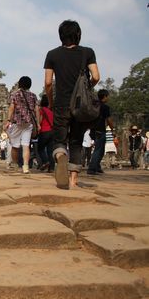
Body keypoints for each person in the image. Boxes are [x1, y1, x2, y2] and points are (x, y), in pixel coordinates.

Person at [44, 20, 100, 188]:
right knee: (76, 140)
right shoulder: (87, 52)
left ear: (60, 35)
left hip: (61, 102)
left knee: (59, 139)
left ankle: (60, 156)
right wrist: (86, 91)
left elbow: (48, 83)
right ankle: (73, 180)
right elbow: (96, 76)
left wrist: (51, 101)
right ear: (78, 35)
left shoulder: (52, 54)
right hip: (79, 105)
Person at [4, 76, 39, 174]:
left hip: (17, 122)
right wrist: (38, 123)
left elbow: (11, 107)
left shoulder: (15, 94)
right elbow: (37, 110)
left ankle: (16, 165)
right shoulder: (33, 96)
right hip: (29, 122)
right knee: (26, 145)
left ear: (19, 84)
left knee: (15, 146)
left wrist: (8, 120)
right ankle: (26, 166)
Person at [87, 89, 114, 175]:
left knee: (100, 150)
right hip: (100, 130)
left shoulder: (94, 105)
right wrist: (113, 129)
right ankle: (91, 169)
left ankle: (97, 167)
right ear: (105, 96)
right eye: (107, 96)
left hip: (93, 130)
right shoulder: (105, 107)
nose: (108, 98)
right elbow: (109, 120)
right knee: (98, 150)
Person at [37, 95, 54, 172]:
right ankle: (52, 167)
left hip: (44, 131)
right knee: (50, 150)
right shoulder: (51, 111)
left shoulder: (41, 110)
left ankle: (45, 161)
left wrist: (37, 125)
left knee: (40, 148)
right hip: (52, 132)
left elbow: (40, 121)